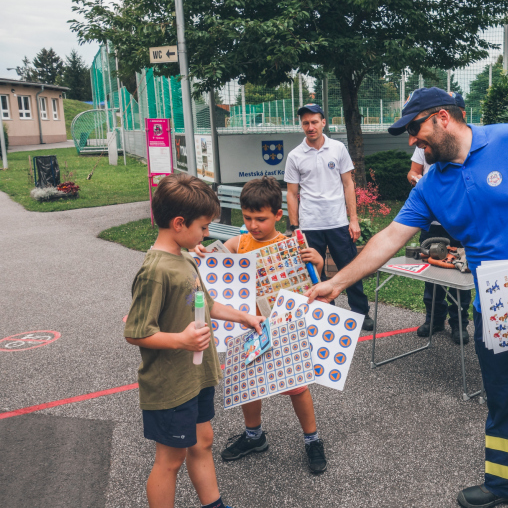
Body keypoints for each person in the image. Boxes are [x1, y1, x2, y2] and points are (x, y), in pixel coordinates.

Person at [306, 88, 508, 508]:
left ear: (441, 118)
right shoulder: (431, 185)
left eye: (415, 130)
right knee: (504, 400)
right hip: (494, 309)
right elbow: (388, 238)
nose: (412, 142)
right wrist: (338, 282)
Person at [124, 173, 265, 508]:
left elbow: (208, 304)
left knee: (203, 441)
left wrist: (245, 317)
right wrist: (182, 339)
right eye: (203, 227)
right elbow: (136, 331)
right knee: (170, 460)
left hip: (197, 377)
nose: (206, 234)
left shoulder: (185, 258)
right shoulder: (155, 271)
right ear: (178, 223)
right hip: (171, 385)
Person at [191, 176, 329, 473]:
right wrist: (200, 253)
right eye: (248, 217)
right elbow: (211, 265)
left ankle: (312, 438)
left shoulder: (290, 245)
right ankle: (254, 435)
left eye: (261, 219)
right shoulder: (238, 242)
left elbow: (315, 281)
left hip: (282, 326)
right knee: (249, 385)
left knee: (296, 386)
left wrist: (317, 261)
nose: (253, 225)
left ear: (278, 215)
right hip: (246, 326)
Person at [284, 104, 375, 333]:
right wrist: (295, 228)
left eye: (314, 122)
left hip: (337, 222)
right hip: (310, 224)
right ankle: (326, 313)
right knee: (316, 273)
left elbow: (348, 184)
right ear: (302, 125)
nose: (310, 127)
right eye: (305, 123)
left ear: (323, 122)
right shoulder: (295, 155)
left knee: (349, 269)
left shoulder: (338, 148)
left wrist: (353, 219)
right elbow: (292, 194)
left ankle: (360, 313)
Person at [407, 92, 471, 344]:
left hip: (459, 225)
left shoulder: (467, 150)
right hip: (432, 224)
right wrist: (418, 181)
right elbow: (413, 173)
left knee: (459, 275)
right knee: (431, 274)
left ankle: (459, 323)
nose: (413, 140)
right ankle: (433, 319)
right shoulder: (424, 146)